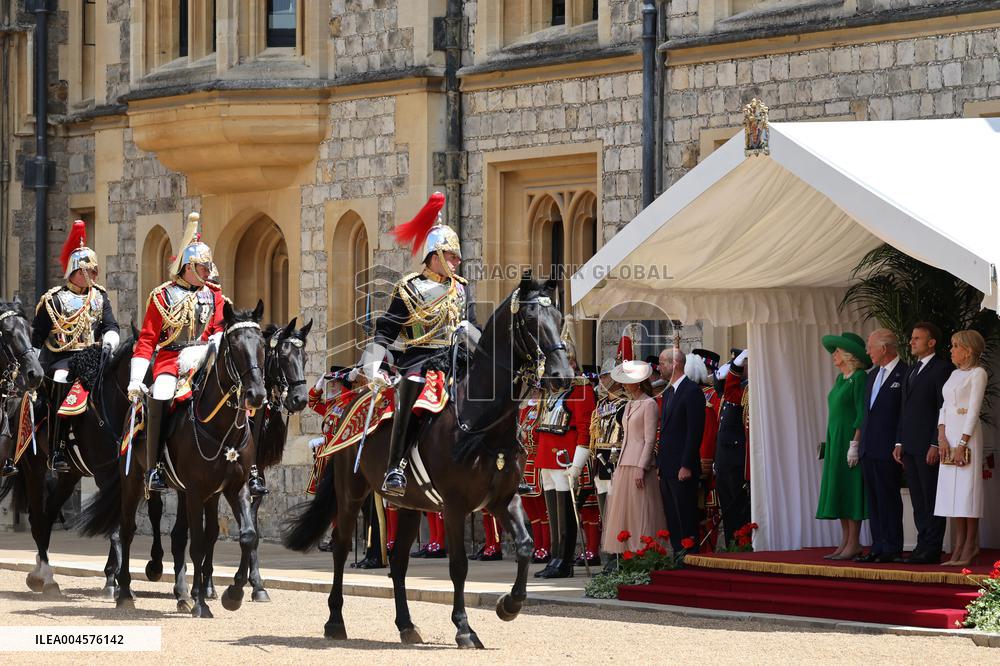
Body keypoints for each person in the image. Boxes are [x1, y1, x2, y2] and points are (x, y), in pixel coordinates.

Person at [127, 213, 268, 495]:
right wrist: (136, 377)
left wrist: (209, 346)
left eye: (208, 268)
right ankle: (155, 467)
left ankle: (253, 467)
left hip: (206, 358)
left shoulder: (215, 296)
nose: (208, 273)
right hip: (170, 361)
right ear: (188, 267)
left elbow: (219, 327)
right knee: (162, 394)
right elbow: (147, 340)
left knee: (246, 392)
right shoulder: (162, 296)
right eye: (203, 268)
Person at [362, 192, 470, 497]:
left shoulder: (461, 289)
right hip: (420, 359)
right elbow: (386, 330)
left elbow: (474, 326)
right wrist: (371, 363)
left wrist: (471, 333)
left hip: (457, 357)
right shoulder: (410, 288)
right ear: (434, 255)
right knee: (412, 387)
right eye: (451, 255)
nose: (457, 261)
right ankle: (395, 466)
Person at [11, 221, 120, 477]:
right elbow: (37, 337)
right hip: (61, 358)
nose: (92, 276)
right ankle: (59, 446)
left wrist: (110, 341)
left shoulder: (99, 297)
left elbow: (110, 325)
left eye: (94, 271)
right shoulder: (54, 300)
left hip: (93, 355)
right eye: (87, 271)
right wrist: (34, 369)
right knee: (61, 378)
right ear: (74, 271)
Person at [535, 321, 596, 579]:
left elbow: (585, 429)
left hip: (566, 457)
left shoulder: (581, 389)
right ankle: (554, 556)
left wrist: (578, 464)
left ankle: (565, 560)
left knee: (565, 512)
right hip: (547, 457)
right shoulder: (552, 389)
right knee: (552, 512)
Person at [894, 322, 953, 565]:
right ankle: (921, 546)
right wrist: (898, 442)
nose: (911, 342)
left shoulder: (942, 368)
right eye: (912, 338)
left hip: (928, 445)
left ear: (931, 342)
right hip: (909, 445)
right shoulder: (911, 370)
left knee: (930, 498)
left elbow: (943, 408)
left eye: (917, 338)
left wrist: (936, 444)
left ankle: (932, 549)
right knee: (918, 500)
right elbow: (904, 410)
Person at [602, 360, 667, 554]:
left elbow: (649, 439)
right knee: (626, 512)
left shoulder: (649, 404)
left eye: (627, 381)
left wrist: (642, 466)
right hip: (624, 460)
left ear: (638, 382)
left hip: (639, 462)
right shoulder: (629, 404)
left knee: (641, 510)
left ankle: (643, 550)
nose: (623, 385)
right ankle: (627, 552)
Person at [816, 331, 871, 560]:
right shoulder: (841, 379)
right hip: (836, 440)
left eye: (837, 351)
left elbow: (862, 412)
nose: (833, 355)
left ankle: (854, 542)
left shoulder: (859, 378)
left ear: (849, 355)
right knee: (838, 487)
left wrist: (855, 444)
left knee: (851, 489)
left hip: (850, 440)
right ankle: (845, 540)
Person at [856, 329, 908, 563]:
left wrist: (899, 441)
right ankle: (877, 546)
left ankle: (892, 546)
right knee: (874, 500)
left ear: (884, 348)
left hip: (889, 448)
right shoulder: (872, 375)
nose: (867, 351)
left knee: (889, 498)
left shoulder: (904, 373)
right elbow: (867, 413)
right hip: (869, 447)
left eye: (870, 346)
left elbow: (904, 414)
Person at [937, 330, 987, 567]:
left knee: (967, 491)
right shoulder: (954, 374)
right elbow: (944, 407)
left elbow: (974, 411)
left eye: (955, 346)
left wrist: (962, 443)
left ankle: (970, 544)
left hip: (967, 437)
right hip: (949, 435)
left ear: (967, 350)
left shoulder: (978, 373)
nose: (951, 350)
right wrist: (942, 437)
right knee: (952, 494)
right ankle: (957, 545)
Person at [656, 346, 706, 552]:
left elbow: (694, 433)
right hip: (667, 466)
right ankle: (678, 556)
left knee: (685, 514)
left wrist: (686, 464)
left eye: (662, 363)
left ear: (675, 364)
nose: (659, 367)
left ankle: (690, 557)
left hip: (682, 467)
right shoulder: (668, 392)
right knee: (672, 516)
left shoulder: (692, 391)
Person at [714, 349, 750, 548]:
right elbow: (719, 383)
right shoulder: (728, 394)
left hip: (737, 458)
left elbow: (728, 388)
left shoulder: (744, 391)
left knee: (738, 508)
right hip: (724, 459)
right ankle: (731, 545)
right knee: (728, 507)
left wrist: (736, 367)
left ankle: (740, 545)